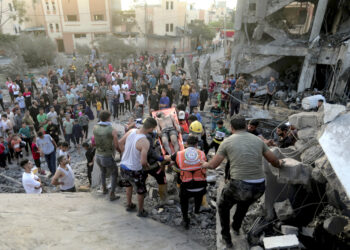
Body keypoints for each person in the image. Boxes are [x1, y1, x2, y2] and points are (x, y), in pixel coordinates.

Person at [201, 115, 283, 248]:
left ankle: (227, 238)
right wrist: (280, 164)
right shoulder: (258, 140)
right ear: (246, 126)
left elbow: (213, 165)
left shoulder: (227, 142)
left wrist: (204, 164)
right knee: (244, 203)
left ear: (231, 128)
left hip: (239, 185)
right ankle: (236, 226)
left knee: (223, 206)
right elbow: (273, 160)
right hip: (259, 187)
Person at [119, 117, 157, 217]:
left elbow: (120, 143)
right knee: (140, 190)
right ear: (151, 129)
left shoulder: (131, 131)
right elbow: (143, 161)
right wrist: (146, 165)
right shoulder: (145, 141)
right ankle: (140, 211)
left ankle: (129, 204)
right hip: (134, 169)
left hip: (123, 166)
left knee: (128, 185)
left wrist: (125, 154)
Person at [167, 135, 207, 229]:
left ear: (186, 144)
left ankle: (185, 219)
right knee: (199, 196)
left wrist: (166, 158)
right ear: (197, 144)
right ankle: (196, 211)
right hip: (200, 186)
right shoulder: (202, 153)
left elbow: (169, 159)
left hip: (187, 186)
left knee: (183, 200)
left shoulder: (178, 154)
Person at [93, 110, 120, 201]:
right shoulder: (112, 130)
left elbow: (94, 140)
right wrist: (120, 151)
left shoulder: (95, 127)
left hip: (98, 155)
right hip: (107, 155)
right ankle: (112, 194)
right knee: (114, 173)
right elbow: (116, 145)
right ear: (108, 118)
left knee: (103, 171)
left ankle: (104, 188)